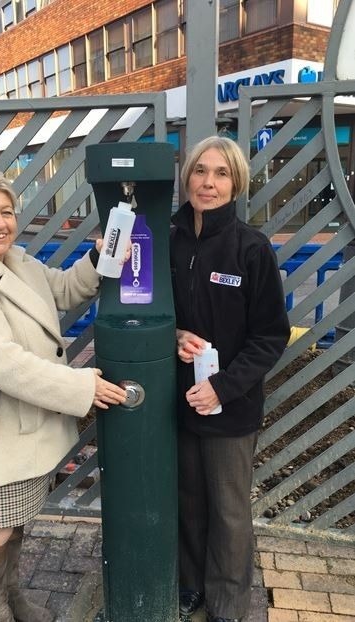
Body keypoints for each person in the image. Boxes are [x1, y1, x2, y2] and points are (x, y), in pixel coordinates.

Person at [0, 165, 127, 622]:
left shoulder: (15, 260)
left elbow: (63, 290)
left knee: (13, 521)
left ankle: (13, 597)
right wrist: (82, 386)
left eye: (5, 211)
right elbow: (4, 364)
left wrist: (98, 258)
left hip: (22, 433)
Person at [170, 136, 290, 622]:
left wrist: (223, 386)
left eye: (221, 174)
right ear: (188, 177)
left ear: (236, 183)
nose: (209, 182)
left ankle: (226, 603)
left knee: (229, 512)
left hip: (229, 408)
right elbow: (148, 311)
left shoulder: (251, 249)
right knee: (188, 503)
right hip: (177, 401)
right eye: (201, 171)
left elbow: (270, 336)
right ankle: (192, 586)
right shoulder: (167, 239)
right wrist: (172, 334)